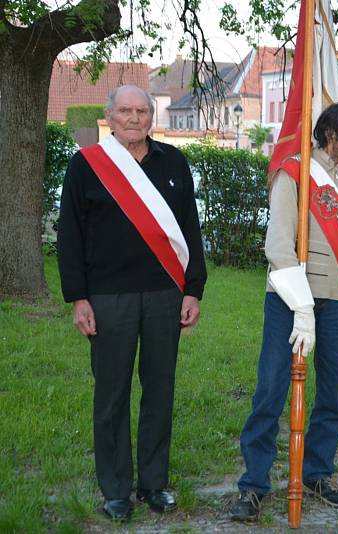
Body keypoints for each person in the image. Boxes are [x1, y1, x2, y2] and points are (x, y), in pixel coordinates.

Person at [57, 85, 207, 521]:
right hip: (108, 297)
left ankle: (154, 484)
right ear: (110, 115)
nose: (134, 118)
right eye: (125, 110)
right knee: (112, 394)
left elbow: (190, 232)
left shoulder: (173, 162)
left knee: (159, 390)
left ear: (151, 116)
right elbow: (70, 236)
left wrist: (193, 288)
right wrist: (78, 298)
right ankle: (116, 489)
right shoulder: (87, 166)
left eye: (142, 110)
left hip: (165, 295)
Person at [231, 102, 338, 521]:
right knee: (271, 392)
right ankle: (254, 484)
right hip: (289, 300)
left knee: (333, 394)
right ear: (330, 133)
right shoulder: (292, 172)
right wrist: (303, 308)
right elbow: (278, 246)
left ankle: (316, 473)